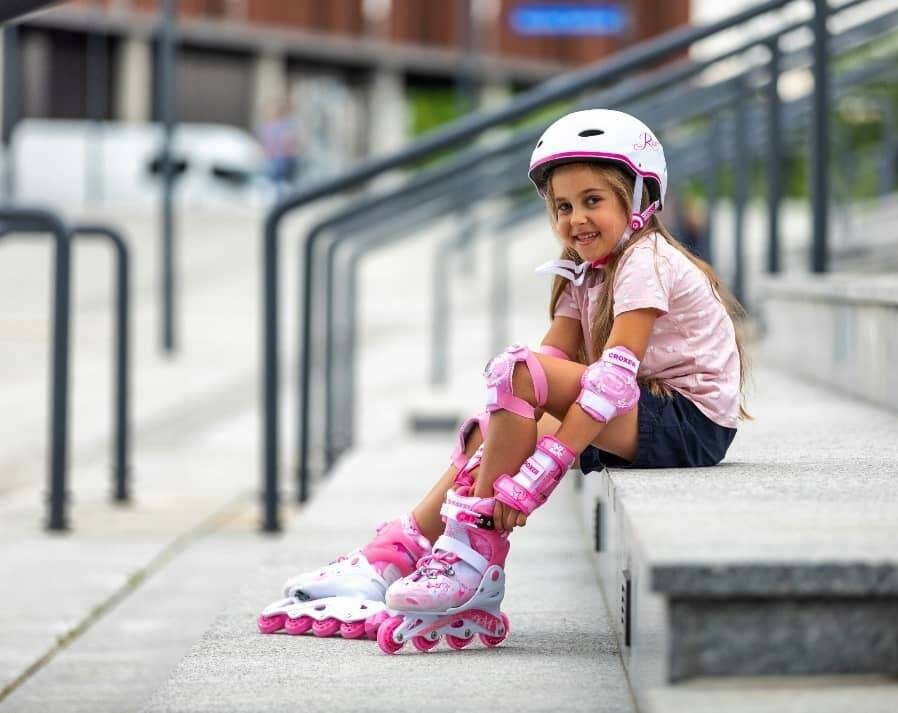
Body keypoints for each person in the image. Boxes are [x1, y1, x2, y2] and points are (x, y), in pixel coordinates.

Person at [257, 109, 751, 653]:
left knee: (514, 374)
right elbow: (544, 374)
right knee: (494, 423)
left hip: (689, 423)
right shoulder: (583, 271)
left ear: (637, 200)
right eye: (563, 206)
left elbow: (609, 383)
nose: (575, 219)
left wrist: (541, 470)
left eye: (593, 201)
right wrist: (497, 445)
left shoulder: (645, 260)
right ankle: (396, 554)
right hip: (642, 412)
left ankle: (473, 556)